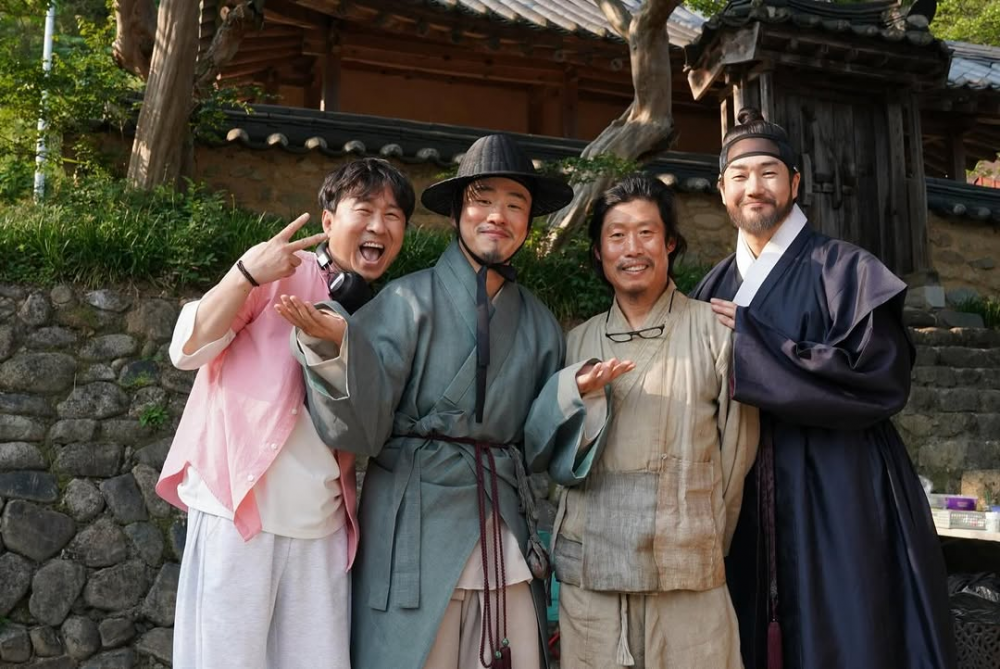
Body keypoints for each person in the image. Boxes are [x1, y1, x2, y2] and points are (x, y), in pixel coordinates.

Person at [277, 134, 575, 669]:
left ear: (529, 222)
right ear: (458, 212)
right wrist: (337, 348)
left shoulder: (541, 325)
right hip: (413, 523)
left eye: (515, 205)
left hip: (501, 525)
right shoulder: (404, 300)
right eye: (484, 200)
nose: (498, 216)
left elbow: (538, 446)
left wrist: (575, 394)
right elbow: (363, 429)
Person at [691, 107, 957, 669]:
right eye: (739, 176)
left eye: (768, 173)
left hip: (840, 482)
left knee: (849, 627)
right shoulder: (713, 285)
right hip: (742, 486)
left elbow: (879, 378)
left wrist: (756, 344)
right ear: (722, 191)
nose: (754, 188)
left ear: (795, 183)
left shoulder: (846, 270)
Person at [156, 158, 415, 669]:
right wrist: (245, 275)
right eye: (364, 210)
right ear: (328, 221)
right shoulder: (277, 275)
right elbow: (185, 350)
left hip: (322, 523)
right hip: (239, 508)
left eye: (393, 216)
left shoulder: (386, 314)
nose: (379, 226)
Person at [524, 174, 758, 668]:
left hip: (688, 568)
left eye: (647, 233)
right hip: (593, 572)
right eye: (617, 235)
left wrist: (704, 540)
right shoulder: (577, 343)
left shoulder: (716, 333)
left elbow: (737, 455)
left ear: (670, 243)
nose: (632, 248)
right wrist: (574, 393)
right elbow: (543, 450)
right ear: (598, 252)